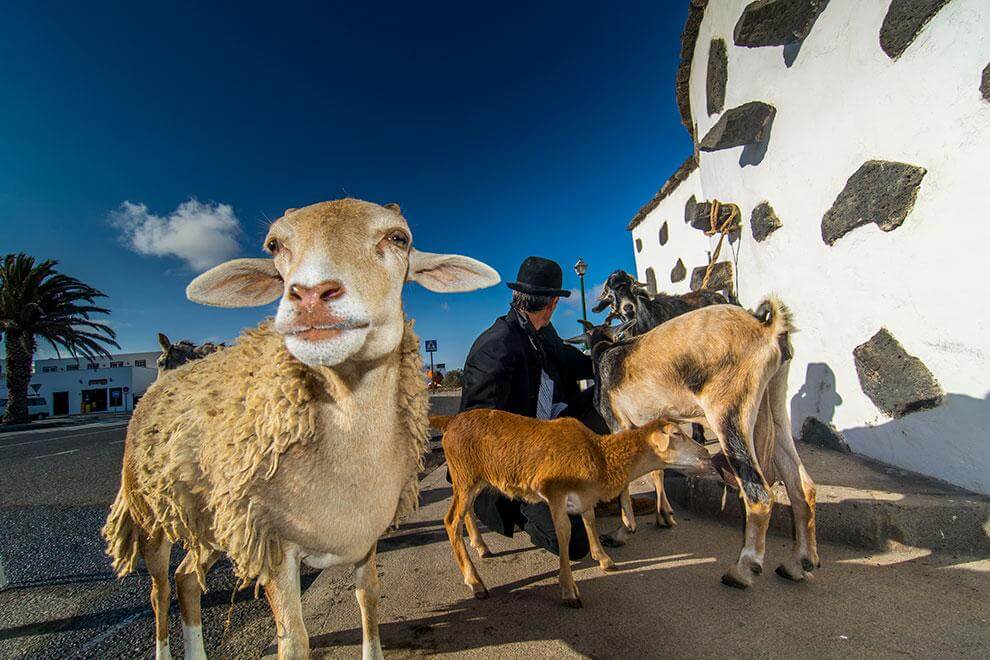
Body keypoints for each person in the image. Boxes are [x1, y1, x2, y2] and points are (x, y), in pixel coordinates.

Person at [457, 256, 605, 558]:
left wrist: (608, 357)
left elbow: (570, 361)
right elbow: (477, 432)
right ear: (551, 303)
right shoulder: (495, 349)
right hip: (513, 472)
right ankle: (523, 514)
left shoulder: (544, 333)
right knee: (575, 544)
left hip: (549, 440)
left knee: (604, 403)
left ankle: (583, 480)